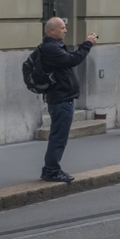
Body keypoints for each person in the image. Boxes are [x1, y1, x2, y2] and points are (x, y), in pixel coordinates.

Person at [40, 17, 96, 183]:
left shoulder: (53, 46)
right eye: (62, 28)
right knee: (59, 137)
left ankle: (49, 169)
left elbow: (69, 60)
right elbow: (73, 60)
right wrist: (88, 44)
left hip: (63, 98)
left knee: (58, 136)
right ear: (52, 31)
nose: (65, 31)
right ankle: (52, 170)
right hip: (61, 99)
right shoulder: (50, 48)